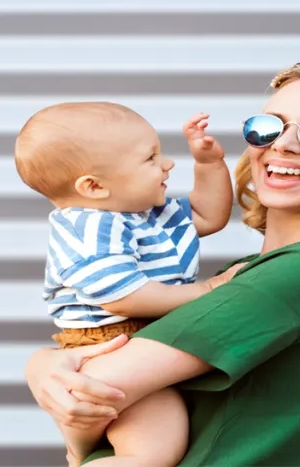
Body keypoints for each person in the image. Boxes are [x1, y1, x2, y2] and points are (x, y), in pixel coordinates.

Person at [24, 58, 300, 466]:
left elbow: (91, 391)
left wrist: (44, 370)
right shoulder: (278, 267)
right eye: (268, 128)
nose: (284, 144)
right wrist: (48, 368)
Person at [14, 102, 235, 466]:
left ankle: (80, 450)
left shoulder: (146, 214)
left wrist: (208, 164)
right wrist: (207, 291)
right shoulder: (90, 228)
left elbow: (209, 215)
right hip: (114, 342)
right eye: (150, 158)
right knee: (151, 454)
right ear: (95, 186)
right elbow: (124, 297)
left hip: (134, 338)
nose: (167, 164)